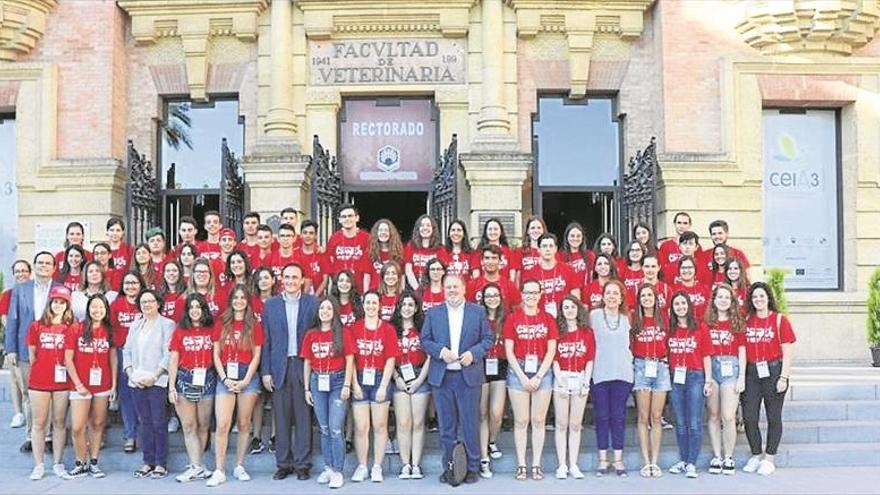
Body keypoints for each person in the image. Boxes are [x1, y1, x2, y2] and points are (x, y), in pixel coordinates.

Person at [421, 274, 493, 485]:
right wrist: (441, 351)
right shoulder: (434, 313)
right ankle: (450, 466)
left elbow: (488, 339)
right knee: (446, 426)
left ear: (464, 288)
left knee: (470, 423)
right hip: (442, 378)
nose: (452, 290)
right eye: (448, 287)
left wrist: (474, 353)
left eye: (455, 286)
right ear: (443, 289)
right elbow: (425, 340)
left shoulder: (477, 312)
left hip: (467, 376)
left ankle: (472, 467)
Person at [260, 263, 319, 481]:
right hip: (279, 365)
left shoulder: (313, 303)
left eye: (295, 277)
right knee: (282, 416)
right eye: (287, 277)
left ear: (303, 280)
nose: (291, 281)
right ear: (281, 280)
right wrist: (266, 371)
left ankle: (303, 464)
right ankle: (283, 463)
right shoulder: (271, 305)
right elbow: (266, 340)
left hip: (304, 364)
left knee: (303, 416)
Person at [206, 285, 265, 487]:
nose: (239, 301)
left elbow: (257, 354)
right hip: (225, 376)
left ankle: (240, 465)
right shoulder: (221, 323)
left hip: (247, 376)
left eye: (243, 297)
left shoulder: (254, 325)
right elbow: (215, 353)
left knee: (244, 423)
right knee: (222, 424)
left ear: (247, 301)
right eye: (236, 297)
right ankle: (219, 469)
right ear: (230, 300)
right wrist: (224, 379)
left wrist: (246, 380)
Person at [5, 251, 62, 453]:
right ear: (34, 266)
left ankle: (48, 437)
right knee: (29, 393)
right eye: (39, 263)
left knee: (52, 393)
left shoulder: (61, 289)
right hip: (24, 349)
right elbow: (12, 320)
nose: (43, 266)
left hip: (53, 350)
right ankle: (31, 435)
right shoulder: (20, 290)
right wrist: (10, 348)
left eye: (48, 263)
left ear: (54, 268)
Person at [504, 279, 557, 481]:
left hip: (542, 371)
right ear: (522, 294)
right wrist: (522, 377)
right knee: (521, 420)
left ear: (541, 294)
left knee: (538, 420)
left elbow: (551, 350)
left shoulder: (548, 318)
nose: (531, 296)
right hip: (518, 370)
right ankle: (521, 464)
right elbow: (509, 351)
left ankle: (536, 464)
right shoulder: (513, 318)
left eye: (535, 292)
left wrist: (538, 376)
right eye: (527, 292)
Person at [742, 282, 796, 476]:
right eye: (755, 297)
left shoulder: (780, 320)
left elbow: (787, 351)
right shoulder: (746, 320)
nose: (758, 300)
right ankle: (756, 454)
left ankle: (770, 457)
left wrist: (784, 377)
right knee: (749, 417)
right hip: (751, 374)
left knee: (774, 417)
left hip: (774, 372)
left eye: (762, 296)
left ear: (768, 298)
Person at [301, 297, 354, 489]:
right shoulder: (311, 334)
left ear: (334, 312)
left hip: (338, 381)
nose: (325, 311)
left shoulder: (343, 333)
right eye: (322, 308)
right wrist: (307, 388)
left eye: (329, 308)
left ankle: (338, 471)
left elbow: (350, 359)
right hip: (317, 381)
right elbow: (307, 362)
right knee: (324, 428)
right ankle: (328, 467)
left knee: (335, 428)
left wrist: (347, 385)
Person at [64, 293, 117, 478]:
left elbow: (113, 359)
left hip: (102, 384)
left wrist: (114, 385)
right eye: (94, 307)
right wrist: (78, 384)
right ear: (88, 309)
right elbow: (68, 359)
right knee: (78, 426)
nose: (97, 310)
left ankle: (94, 462)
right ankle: (80, 461)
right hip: (80, 385)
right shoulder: (76, 328)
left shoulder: (108, 330)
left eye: (101, 307)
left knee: (98, 423)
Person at [347, 290, 398, 482]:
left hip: (379, 377)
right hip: (359, 378)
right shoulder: (354, 328)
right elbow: (350, 359)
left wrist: (384, 386)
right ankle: (362, 466)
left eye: (374, 303)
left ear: (380, 305)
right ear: (363, 305)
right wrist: (355, 384)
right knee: (361, 427)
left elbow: (391, 359)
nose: (370, 306)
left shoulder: (388, 329)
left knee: (380, 425)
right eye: (367, 302)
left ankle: (377, 466)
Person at [124, 289, 175, 480]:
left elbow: (168, 353)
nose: (147, 305)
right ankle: (148, 461)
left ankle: (161, 463)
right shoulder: (135, 325)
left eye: (150, 301)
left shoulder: (167, 325)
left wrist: (154, 376)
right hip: (136, 380)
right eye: (143, 302)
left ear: (158, 303)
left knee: (158, 422)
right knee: (144, 422)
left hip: (157, 381)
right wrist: (131, 373)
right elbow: (126, 350)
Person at [25, 285, 74, 480]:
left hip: (62, 382)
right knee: (39, 423)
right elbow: (32, 355)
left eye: (62, 302)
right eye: (55, 301)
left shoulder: (72, 326)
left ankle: (57, 463)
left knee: (60, 422)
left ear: (67, 305)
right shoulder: (37, 326)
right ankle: (39, 465)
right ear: (50, 303)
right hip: (39, 381)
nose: (58, 305)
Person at [168, 293, 217, 483]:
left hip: (207, 378)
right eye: (191, 307)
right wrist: (171, 387)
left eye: (199, 307)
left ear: (204, 310)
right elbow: (173, 359)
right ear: (187, 311)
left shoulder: (212, 330)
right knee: (189, 426)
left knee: (204, 424)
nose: (195, 310)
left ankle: (198, 464)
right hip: (185, 378)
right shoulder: (180, 331)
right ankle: (195, 465)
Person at [666, 291, 713, 478]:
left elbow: (706, 355)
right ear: (672, 308)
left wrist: (708, 380)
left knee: (694, 422)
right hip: (676, 378)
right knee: (680, 422)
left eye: (683, 303)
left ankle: (692, 462)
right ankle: (683, 460)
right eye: (676, 304)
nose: (680, 307)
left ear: (689, 305)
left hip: (695, 376)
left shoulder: (700, 328)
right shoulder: (669, 329)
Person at [589, 279, 633, 477]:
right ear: (603, 296)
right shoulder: (594, 316)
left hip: (622, 373)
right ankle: (602, 459)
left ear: (622, 297)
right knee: (602, 416)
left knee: (618, 417)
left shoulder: (627, 318)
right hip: (600, 372)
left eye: (616, 293)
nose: (612, 296)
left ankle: (618, 459)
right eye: (609, 293)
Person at [705, 283, 747, 475]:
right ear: (714, 300)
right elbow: (703, 351)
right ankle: (717, 455)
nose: (723, 300)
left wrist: (742, 378)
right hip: (711, 368)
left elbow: (742, 351)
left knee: (728, 416)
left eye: (726, 298)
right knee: (713, 415)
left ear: (732, 302)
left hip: (731, 368)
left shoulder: (737, 322)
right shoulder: (706, 323)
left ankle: (728, 456)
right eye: (719, 297)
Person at [552, 295, 595, 480]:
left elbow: (590, 359)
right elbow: (552, 356)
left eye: (572, 306)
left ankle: (574, 464)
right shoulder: (556, 331)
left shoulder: (587, 332)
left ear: (578, 309)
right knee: (561, 424)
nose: (569, 310)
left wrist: (586, 381)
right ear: (561, 311)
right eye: (565, 307)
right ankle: (561, 465)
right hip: (561, 377)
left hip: (580, 378)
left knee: (575, 424)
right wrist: (559, 378)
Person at [630, 284, 670, 479]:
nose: (646, 298)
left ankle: (655, 461)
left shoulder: (664, 319)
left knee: (656, 416)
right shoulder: (634, 320)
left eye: (650, 295)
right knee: (643, 416)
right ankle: (646, 462)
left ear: (656, 298)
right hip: (641, 367)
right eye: (643, 295)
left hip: (661, 367)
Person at [391, 293, 431, 480]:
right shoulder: (392, 330)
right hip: (398, 375)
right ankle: (405, 464)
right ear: (398, 307)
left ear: (416, 308)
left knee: (417, 422)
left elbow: (431, 356)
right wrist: (397, 378)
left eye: (410, 304)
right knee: (404, 422)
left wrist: (419, 380)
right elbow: (387, 357)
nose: (407, 307)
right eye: (403, 304)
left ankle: (416, 464)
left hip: (419, 375)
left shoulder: (423, 328)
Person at [111, 272, 145, 452]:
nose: (131, 286)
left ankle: (147, 434)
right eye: (127, 283)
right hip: (123, 353)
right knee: (127, 396)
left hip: (145, 354)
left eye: (134, 283)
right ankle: (130, 435)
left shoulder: (146, 303)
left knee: (144, 395)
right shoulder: (116, 305)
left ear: (140, 285)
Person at [478, 283, 507, 477]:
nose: (492, 299)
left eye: (495, 295)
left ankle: (491, 440)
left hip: (500, 365)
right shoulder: (477, 318)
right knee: (482, 413)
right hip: (481, 365)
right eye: (488, 296)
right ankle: (483, 459)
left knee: (496, 413)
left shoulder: (507, 319)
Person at [249, 266, 277, 455]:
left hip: (274, 351)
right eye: (260, 278)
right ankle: (257, 437)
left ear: (274, 280)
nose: (264, 281)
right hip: (254, 352)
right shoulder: (251, 302)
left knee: (275, 396)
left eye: (267, 278)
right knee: (257, 396)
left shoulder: (278, 302)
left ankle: (275, 436)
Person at [1, 259, 32, 430]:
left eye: (24, 271)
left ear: (30, 272)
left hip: (33, 344)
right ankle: (18, 413)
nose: (21, 274)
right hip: (16, 341)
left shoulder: (34, 291)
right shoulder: (8, 294)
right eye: (17, 271)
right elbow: (5, 320)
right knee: (16, 378)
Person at [521, 233, 580, 317]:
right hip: (540, 319)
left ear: (555, 249)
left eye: (551, 246)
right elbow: (525, 301)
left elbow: (576, 297)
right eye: (544, 246)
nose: (548, 249)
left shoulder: (568, 270)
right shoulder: (530, 273)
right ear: (538, 249)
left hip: (564, 318)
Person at [327, 204, 372, 290]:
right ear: (339, 220)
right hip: (339, 288)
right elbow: (330, 263)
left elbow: (370, 265)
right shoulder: (334, 238)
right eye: (344, 216)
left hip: (360, 289)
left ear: (357, 218)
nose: (347, 219)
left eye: (350, 216)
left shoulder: (366, 238)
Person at [466, 245, 521, 310]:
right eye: (487, 258)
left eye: (494, 258)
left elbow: (516, 311)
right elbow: (467, 309)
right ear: (482, 261)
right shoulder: (472, 285)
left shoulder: (509, 285)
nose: (490, 262)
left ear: (500, 261)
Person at [404, 215, 445, 290]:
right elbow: (408, 271)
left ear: (433, 229)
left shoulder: (440, 249)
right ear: (418, 229)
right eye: (422, 225)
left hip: (434, 288)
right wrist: (417, 289)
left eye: (428, 225)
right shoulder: (410, 246)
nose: (425, 228)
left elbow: (442, 272)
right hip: (414, 286)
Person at [473, 218, 519, 283]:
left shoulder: (509, 252)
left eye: (495, 229)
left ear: (501, 232)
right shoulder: (478, 252)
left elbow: (512, 276)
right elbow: (476, 276)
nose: (493, 232)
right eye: (490, 229)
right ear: (486, 232)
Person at [294, 220, 331, 297]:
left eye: (311, 233)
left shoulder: (322, 253)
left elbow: (325, 280)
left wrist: (314, 298)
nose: (308, 236)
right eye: (305, 233)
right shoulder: (294, 254)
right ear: (300, 235)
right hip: (297, 297)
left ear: (316, 236)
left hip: (318, 298)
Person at [367, 219, 404, 291]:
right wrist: (366, 295)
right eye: (380, 230)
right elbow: (367, 276)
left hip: (393, 294)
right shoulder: (370, 253)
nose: (383, 233)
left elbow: (402, 276)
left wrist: (401, 293)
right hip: (375, 294)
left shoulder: (398, 253)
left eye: (386, 230)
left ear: (391, 233)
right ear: (376, 233)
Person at [672, 256, 712, 320]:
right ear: (679, 270)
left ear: (695, 269)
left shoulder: (705, 289)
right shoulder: (672, 290)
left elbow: (710, 312)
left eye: (690, 267)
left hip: (702, 327)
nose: (686, 270)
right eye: (683, 268)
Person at [561, 222, 595, 287]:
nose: (575, 239)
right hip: (567, 295)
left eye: (578, 236)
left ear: (582, 238)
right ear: (567, 237)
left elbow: (592, 277)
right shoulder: (560, 256)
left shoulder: (590, 255)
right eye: (572, 236)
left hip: (585, 292)